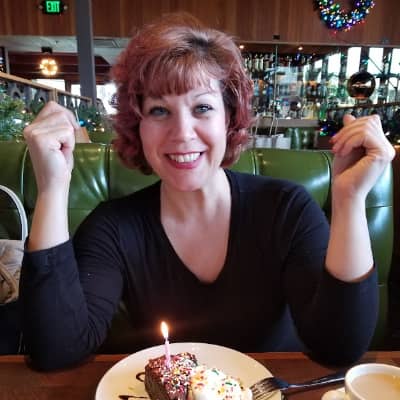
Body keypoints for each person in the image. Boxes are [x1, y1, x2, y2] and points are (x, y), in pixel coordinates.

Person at [21, 12, 395, 371]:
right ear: (138, 126)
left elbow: (338, 346)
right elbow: (58, 351)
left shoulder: (285, 209)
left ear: (229, 118)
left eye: (202, 107)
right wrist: (52, 188)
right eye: (159, 110)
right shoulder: (114, 228)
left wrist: (349, 200)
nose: (183, 133)